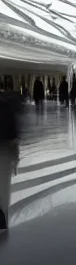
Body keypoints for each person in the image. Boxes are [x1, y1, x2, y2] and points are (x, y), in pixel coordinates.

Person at [0, 97, 19, 232]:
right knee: (3, 189)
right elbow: (13, 136)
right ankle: (3, 222)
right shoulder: (5, 107)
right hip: (4, 154)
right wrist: (15, 157)